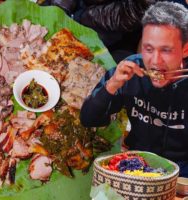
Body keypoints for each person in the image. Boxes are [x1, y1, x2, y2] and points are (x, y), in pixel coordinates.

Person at [80, 1, 188, 177]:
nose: (155, 61)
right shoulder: (133, 69)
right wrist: (112, 85)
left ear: (185, 50)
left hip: (182, 172)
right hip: (136, 163)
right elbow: (89, 119)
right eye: (148, 48)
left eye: (166, 50)